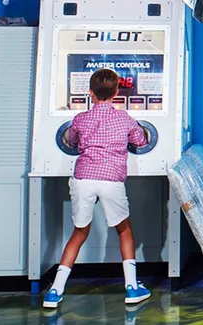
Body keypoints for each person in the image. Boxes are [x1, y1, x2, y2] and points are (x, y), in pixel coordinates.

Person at [42, 68, 151, 309]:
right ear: (116, 93)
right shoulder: (124, 118)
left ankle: (54, 291)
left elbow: (71, 140)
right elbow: (141, 140)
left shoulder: (80, 119)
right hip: (111, 179)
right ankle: (132, 287)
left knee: (79, 232)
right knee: (124, 229)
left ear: (90, 93)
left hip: (83, 178)